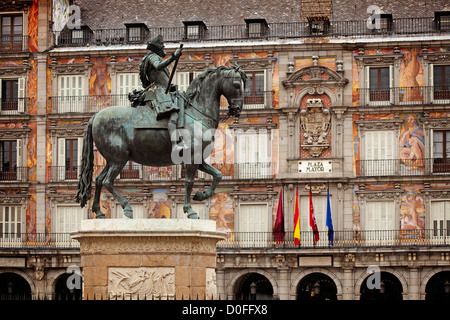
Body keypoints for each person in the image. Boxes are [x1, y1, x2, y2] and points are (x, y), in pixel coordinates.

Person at [138, 35, 184, 153]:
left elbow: (162, 79)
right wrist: (173, 57)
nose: (164, 46)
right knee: (173, 113)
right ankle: (175, 145)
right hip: (157, 91)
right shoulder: (152, 57)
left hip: (162, 90)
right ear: (157, 46)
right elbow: (158, 66)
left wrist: (171, 86)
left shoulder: (154, 57)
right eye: (162, 44)